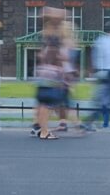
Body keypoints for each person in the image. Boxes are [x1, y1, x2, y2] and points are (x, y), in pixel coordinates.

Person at [34, 7, 68, 140]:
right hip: (52, 75)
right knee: (47, 104)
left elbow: (41, 56)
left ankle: (42, 129)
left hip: (43, 73)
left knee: (43, 104)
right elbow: (61, 59)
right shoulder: (54, 42)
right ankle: (44, 131)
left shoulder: (46, 41)